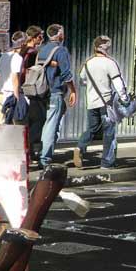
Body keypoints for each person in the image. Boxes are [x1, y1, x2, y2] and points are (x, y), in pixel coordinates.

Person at [73, 36, 127, 170]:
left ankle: (80, 147)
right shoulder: (110, 63)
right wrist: (124, 98)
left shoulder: (88, 62)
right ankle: (107, 163)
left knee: (92, 129)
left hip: (91, 102)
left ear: (95, 47)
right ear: (106, 48)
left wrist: (92, 85)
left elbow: (82, 81)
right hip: (106, 103)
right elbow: (118, 83)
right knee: (109, 132)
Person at [38, 24, 77, 168]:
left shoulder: (42, 50)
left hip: (41, 92)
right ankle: (45, 158)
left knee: (45, 123)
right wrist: (73, 90)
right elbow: (66, 74)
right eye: (63, 32)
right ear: (60, 35)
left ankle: (41, 153)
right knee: (52, 125)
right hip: (55, 92)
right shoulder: (61, 51)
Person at [20, 26, 45, 161]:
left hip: (21, 89)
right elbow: (31, 72)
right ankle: (30, 149)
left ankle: (28, 149)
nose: (42, 39)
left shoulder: (21, 51)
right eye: (40, 36)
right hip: (31, 90)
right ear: (34, 37)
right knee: (38, 120)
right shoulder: (33, 52)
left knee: (28, 121)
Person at [0, 31, 27, 125]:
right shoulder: (18, 58)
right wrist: (17, 97)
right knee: (15, 125)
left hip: (1, 94)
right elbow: (15, 78)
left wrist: (3, 83)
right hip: (11, 96)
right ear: (23, 44)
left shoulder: (4, 56)